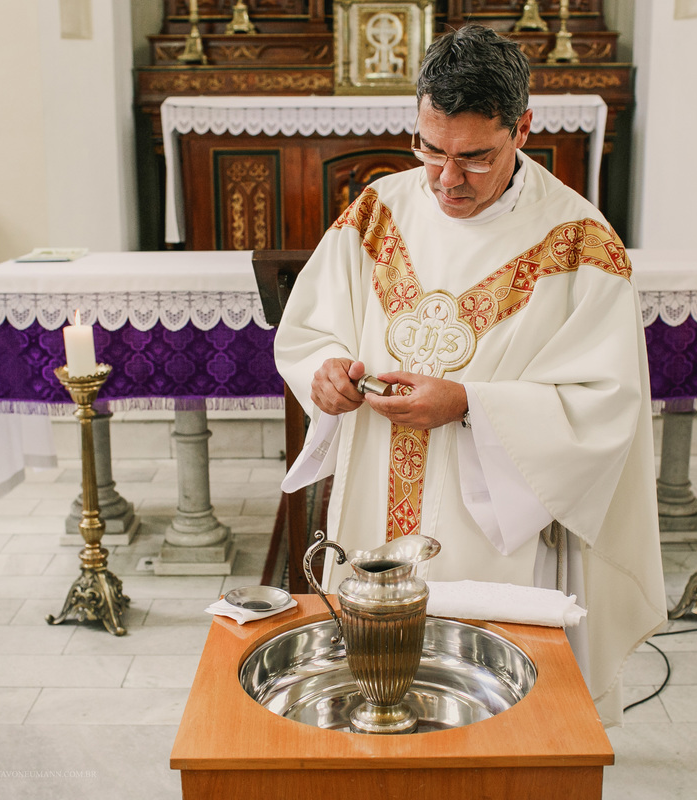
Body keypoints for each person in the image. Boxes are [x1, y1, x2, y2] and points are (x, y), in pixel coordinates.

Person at [273, 24, 665, 726]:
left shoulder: (580, 243)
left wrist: (467, 404)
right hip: (373, 496)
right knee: (369, 699)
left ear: (523, 128)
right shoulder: (377, 211)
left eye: (475, 158)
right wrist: (322, 373)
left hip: (494, 532)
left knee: (491, 710)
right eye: (430, 150)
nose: (448, 180)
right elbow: (311, 329)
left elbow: (607, 407)